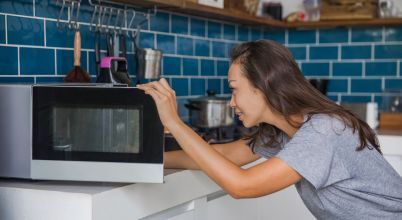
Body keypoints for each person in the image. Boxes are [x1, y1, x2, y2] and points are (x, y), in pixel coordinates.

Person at [137, 40, 402, 219]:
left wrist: (174, 123)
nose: (231, 102)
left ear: (263, 86)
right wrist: (151, 161)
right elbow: (227, 155)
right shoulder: (285, 130)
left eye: (233, 88)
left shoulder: (323, 132)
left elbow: (243, 186)